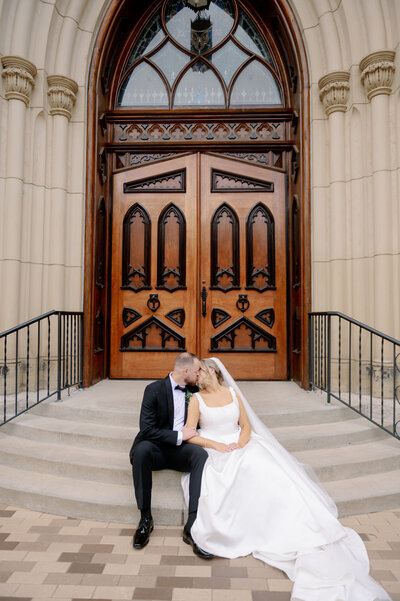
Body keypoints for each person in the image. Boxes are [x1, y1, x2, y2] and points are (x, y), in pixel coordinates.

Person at [182, 358, 392, 601]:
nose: (196, 376)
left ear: (213, 372)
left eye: (200, 371)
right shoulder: (196, 400)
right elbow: (190, 434)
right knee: (237, 474)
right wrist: (218, 445)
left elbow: (246, 425)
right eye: (195, 373)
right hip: (215, 449)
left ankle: (290, 521)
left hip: (240, 444)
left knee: (262, 465)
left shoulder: (231, 393)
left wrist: (241, 443)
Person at [129, 352, 213, 558]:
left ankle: (192, 525)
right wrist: (178, 435)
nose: (198, 375)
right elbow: (146, 429)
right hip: (156, 448)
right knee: (141, 451)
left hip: (182, 451)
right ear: (186, 371)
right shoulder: (153, 390)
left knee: (200, 456)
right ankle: (145, 519)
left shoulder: (195, 391)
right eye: (196, 371)